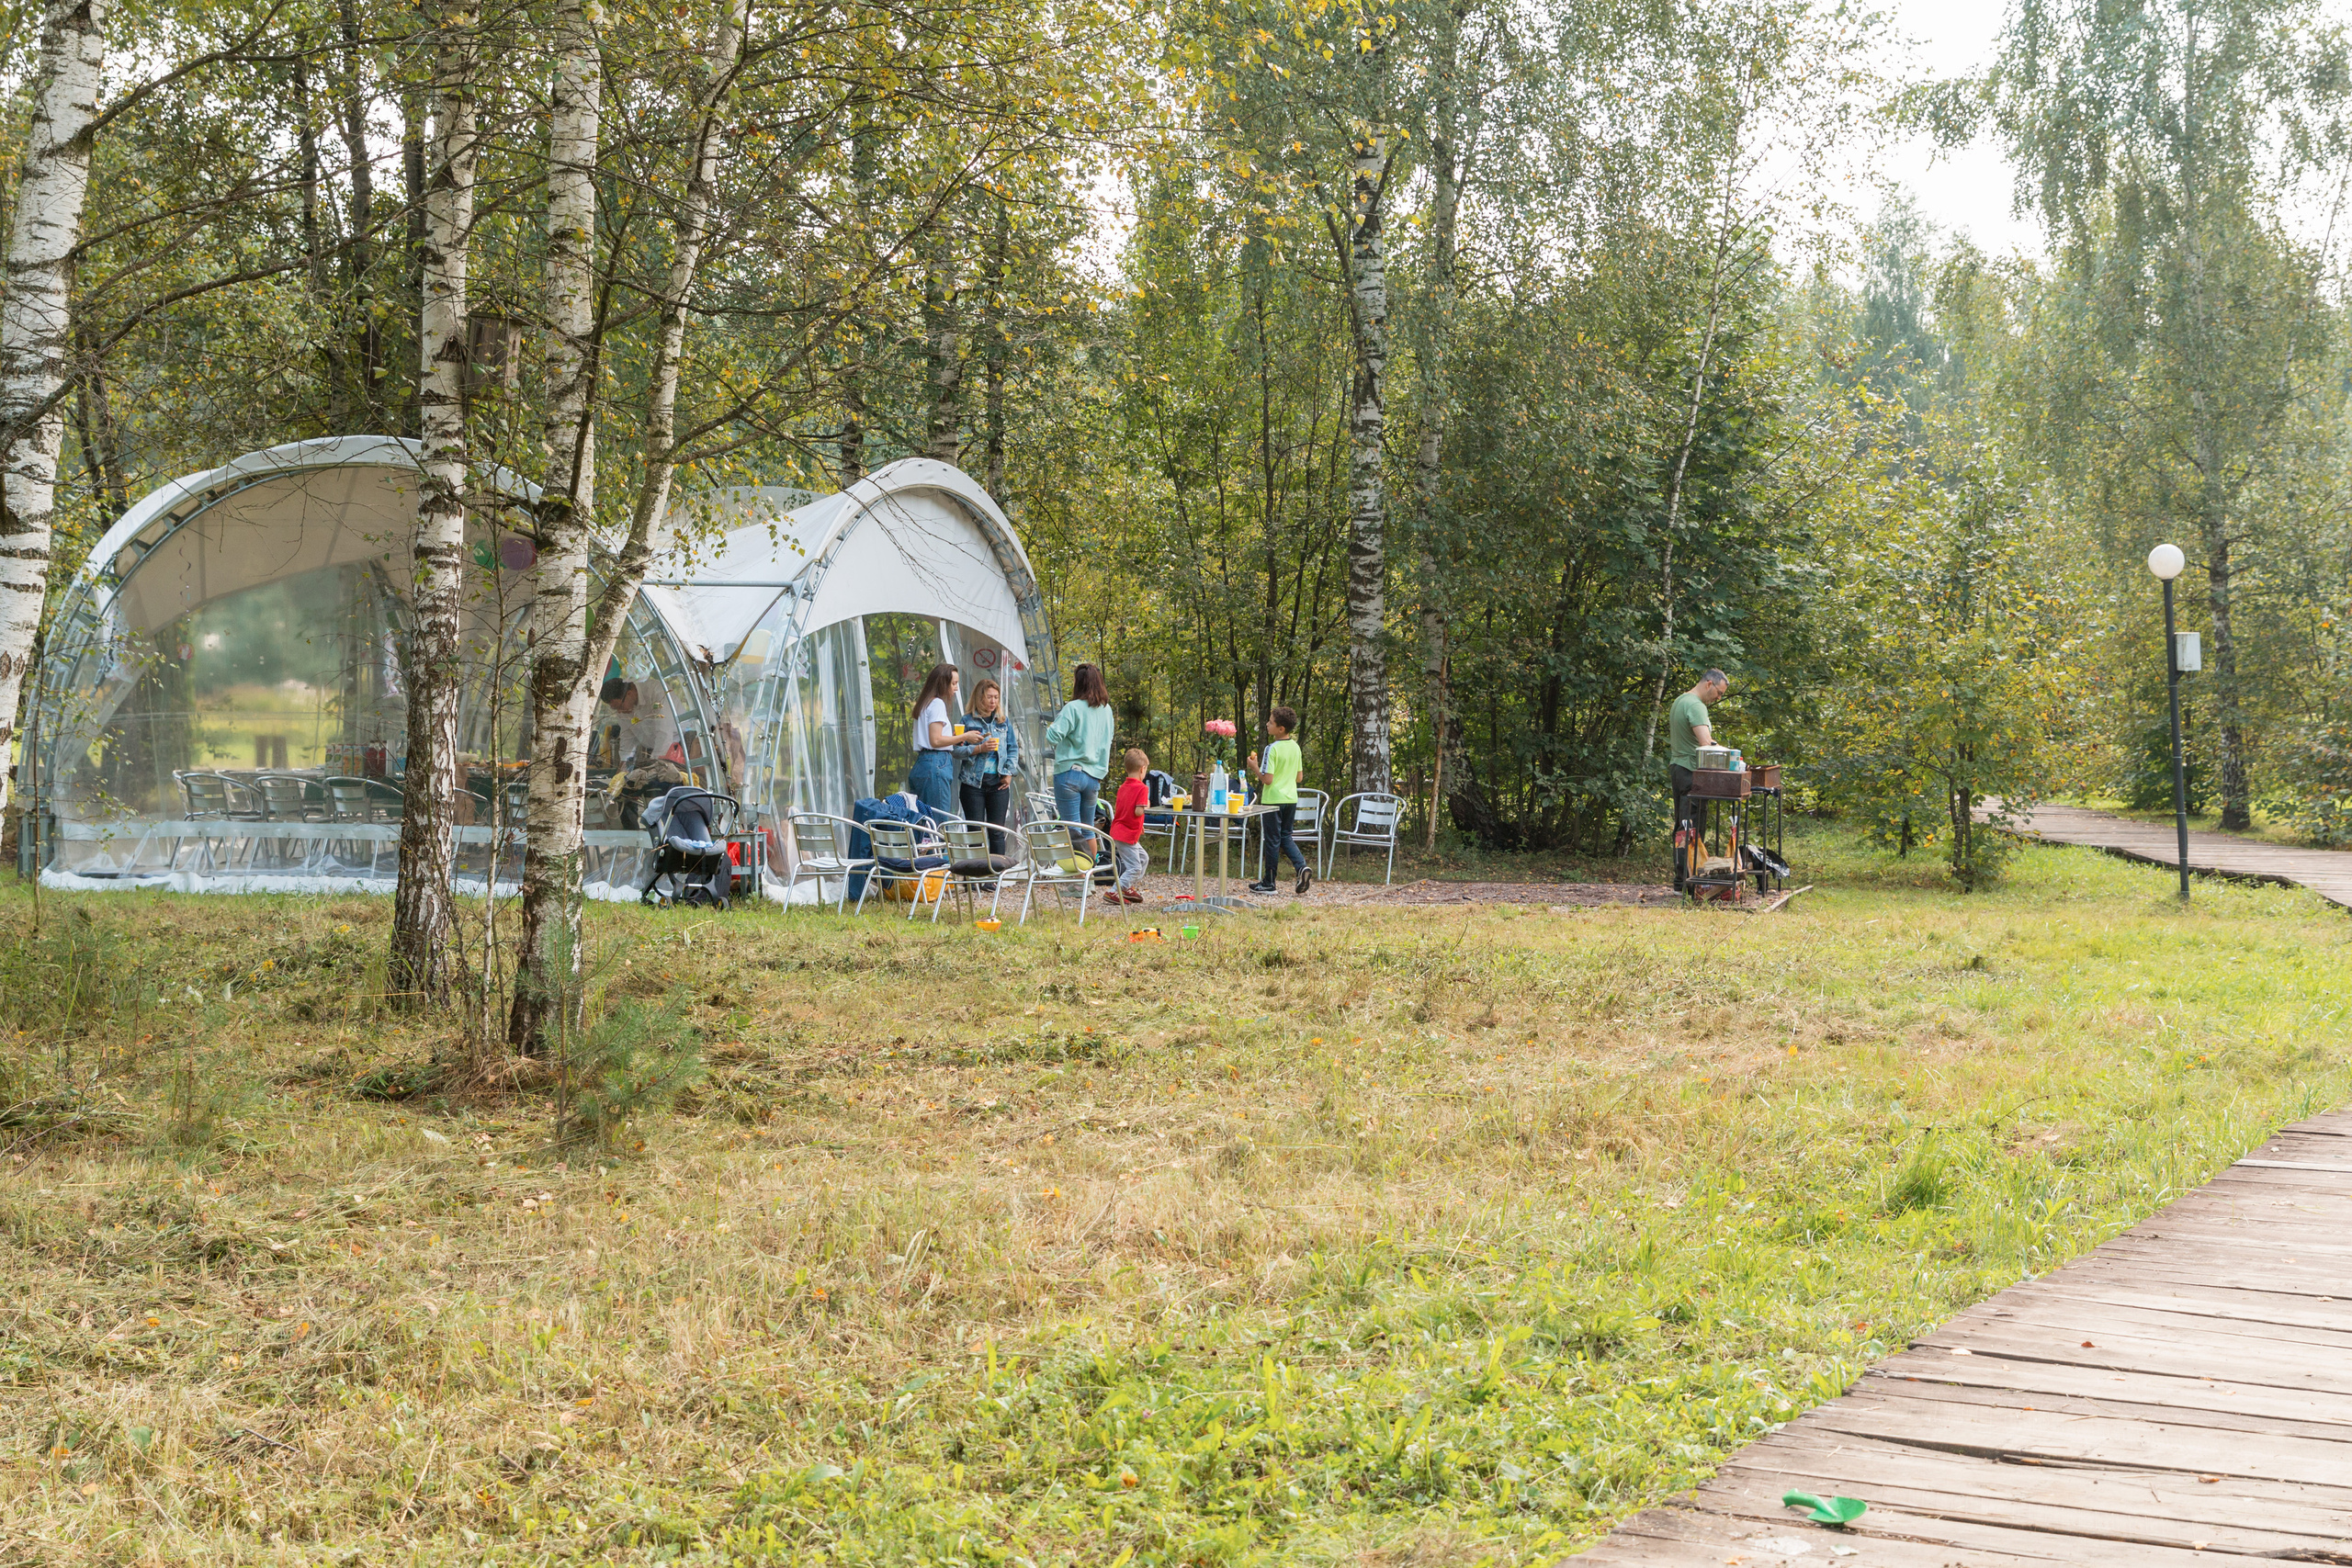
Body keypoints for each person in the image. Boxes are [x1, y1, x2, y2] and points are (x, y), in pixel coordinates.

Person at [1045, 661, 1114, 846]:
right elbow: (1108, 739)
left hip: (1070, 774)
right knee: (1088, 829)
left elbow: (1052, 737)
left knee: (1073, 830)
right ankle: (1090, 865)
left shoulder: (1073, 707)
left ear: (1079, 683)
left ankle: (1076, 866)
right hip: (1094, 776)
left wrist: (1053, 725)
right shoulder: (1107, 710)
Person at [1668, 668, 1731, 870]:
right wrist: (1731, 756)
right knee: (1692, 827)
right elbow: (1706, 743)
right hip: (1692, 773)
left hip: (1678, 768)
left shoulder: (1680, 700)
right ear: (1709, 684)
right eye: (1719, 693)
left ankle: (1682, 878)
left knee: (1683, 826)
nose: (1718, 698)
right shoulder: (1696, 705)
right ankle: (1689, 879)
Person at [1247, 705, 1311, 896]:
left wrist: (1254, 767)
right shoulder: (1295, 747)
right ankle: (1301, 867)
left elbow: (1267, 779)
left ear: (1281, 729)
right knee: (1285, 836)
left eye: (1271, 722)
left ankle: (1269, 883)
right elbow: (1299, 777)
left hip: (1273, 800)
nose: (1267, 724)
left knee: (1272, 841)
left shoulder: (1272, 748)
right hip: (1291, 798)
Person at [908, 663, 985, 817]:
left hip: (923, 762)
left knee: (924, 818)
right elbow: (935, 741)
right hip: (936, 762)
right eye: (954, 683)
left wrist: (953, 739)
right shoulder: (937, 703)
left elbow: (933, 738)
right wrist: (965, 736)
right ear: (943, 683)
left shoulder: (925, 703)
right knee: (939, 818)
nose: (956, 688)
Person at [956, 676, 1021, 852]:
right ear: (979, 697)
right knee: (975, 833)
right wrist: (979, 748)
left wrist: (1009, 773)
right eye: (989, 697)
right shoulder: (967, 721)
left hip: (998, 784)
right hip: (972, 784)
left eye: (996, 697)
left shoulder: (1003, 721)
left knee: (997, 832)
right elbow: (955, 751)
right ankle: (978, 870)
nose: (993, 701)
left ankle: (996, 870)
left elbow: (1013, 748)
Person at [598, 676, 676, 770]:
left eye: (620, 707)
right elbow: (627, 737)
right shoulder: (624, 707)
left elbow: (664, 734)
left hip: (677, 746)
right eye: (615, 709)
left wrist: (652, 767)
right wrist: (622, 769)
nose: (619, 711)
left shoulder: (656, 692)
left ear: (629, 694)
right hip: (651, 749)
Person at [1104, 748, 1150, 905]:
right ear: (1142, 769)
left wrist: (1139, 826)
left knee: (1143, 858)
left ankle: (1126, 887)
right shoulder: (1142, 788)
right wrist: (1147, 805)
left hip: (1119, 830)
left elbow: (1125, 810)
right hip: (1126, 835)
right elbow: (1138, 811)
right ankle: (1114, 891)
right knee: (1135, 868)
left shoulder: (1123, 787)